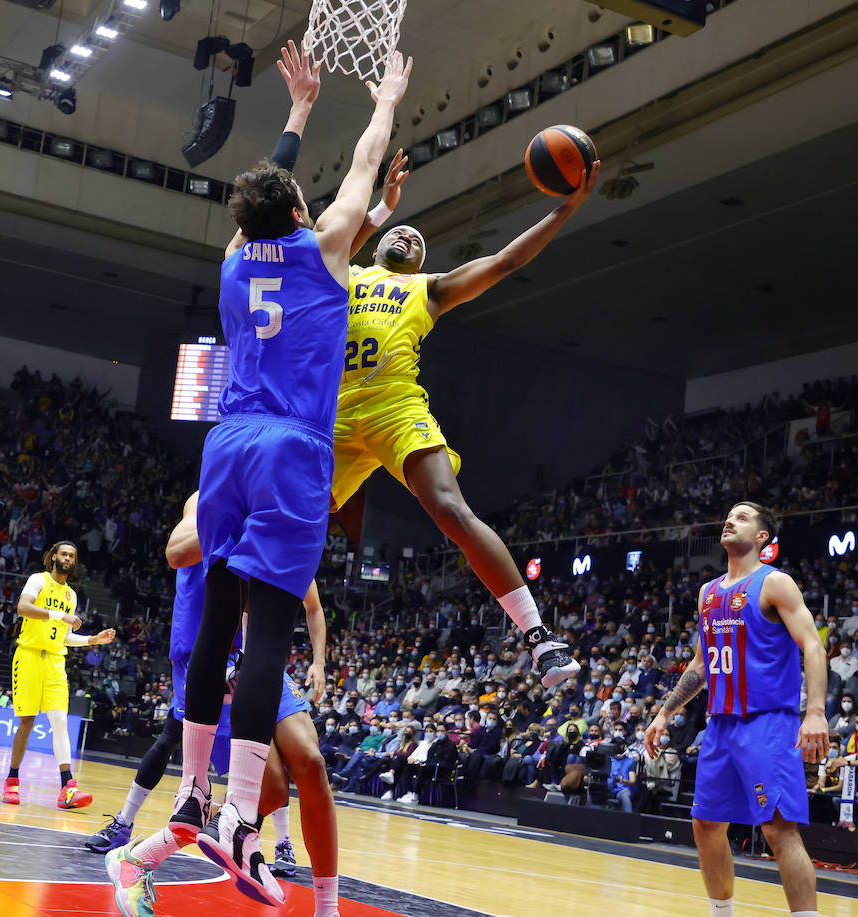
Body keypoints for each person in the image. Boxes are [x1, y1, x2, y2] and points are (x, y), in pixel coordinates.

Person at [154, 47, 411, 908]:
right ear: (301, 211)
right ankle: (237, 814)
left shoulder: (233, 261)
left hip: (226, 442)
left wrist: (297, 113)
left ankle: (195, 790)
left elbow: (263, 200)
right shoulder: (327, 247)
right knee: (270, 632)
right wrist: (385, 101)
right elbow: (366, 162)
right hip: (293, 446)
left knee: (222, 615)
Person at [326, 144, 599, 693]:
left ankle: (540, 636)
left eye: (419, 242)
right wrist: (381, 208)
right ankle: (239, 647)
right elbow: (335, 242)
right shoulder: (344, 273)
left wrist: (565, 209)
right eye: (399, 232)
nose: (408, 236)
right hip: (330, 415)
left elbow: (505, 262)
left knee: (450, 510)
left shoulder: (426, 289)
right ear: (378, 245)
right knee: (286, 528)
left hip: (393, 404)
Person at [101, 487, 339, 917]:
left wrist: (319, 661)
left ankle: (327, 909)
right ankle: (139, 858)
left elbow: (312, 603)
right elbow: (177, 549)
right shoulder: (208, 494)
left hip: (256, 659)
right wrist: (247, 517)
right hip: (208, 663)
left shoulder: (285, 500)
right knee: (268, 788)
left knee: (311, 761)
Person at [644, 502, 827, 917]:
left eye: (743, 518)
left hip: (768, 721)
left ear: (763, 538)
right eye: (729, 516)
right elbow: (699, 666)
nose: (730, 521)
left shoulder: (775, 582)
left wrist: (815, 711)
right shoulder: (707, 593)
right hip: (720, 726)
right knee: (706, 826)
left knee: (779, 830)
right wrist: (663, 713)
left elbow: (813, 646)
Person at [2, 540, 115, 809]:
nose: (68, 558)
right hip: (29, 657)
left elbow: (65, 638)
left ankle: (68, 788)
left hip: (55, 661)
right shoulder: (37, 580)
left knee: (60, 722)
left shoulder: (71, 595)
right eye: (64, 553)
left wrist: (92, 640)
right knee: (26, 723)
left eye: (72, 555)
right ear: (53, 557)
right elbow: (23, 607)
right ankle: (12, 780)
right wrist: (57, 615)